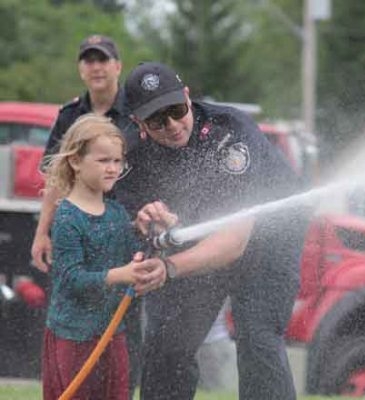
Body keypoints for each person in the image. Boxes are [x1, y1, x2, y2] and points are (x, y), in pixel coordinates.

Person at [115, 61, 310, 400]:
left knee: (257, 337)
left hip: (270, 238)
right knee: (168, 342)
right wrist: (144, 220)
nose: (173, 125)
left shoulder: (231, 133)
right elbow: (131, 219)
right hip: (195, 242)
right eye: (158, 120)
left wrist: (170, 267)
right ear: (138, 123)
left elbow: (234, 242)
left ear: (188, 96)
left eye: (177, 110)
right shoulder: (130, 155)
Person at [30, 34, 143, 395]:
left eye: (103, 59)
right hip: (74, 331)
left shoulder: (136, 113)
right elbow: (52, 175)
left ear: (117, 66)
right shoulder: (70, 116)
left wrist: (148, 233)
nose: (96, 67)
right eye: (89, 60)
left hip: (114, 326)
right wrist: (42, 231)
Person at [41, 114, 166, 400]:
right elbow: (71, 279)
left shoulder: (117, 213)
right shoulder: (68, 217)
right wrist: (118, 275)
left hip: (112, 334)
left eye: (117, 161)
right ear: (75, 161)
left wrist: (153, 237)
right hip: (72, 336)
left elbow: (134, 255)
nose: (112, 169)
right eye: (103, 161)